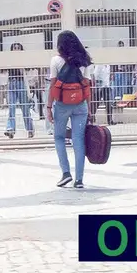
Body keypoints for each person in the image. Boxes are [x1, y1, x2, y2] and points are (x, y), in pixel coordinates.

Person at [46, 31, 91, 189]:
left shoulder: (56, 60)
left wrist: (48, 107)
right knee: (78, 140)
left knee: (59, 137)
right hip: (81, 104)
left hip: (63, 104)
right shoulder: (84, 59)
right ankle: (79, 179)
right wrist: (89, 109)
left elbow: (53, 86)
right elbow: (87, 86)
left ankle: (66, 173)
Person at [4, 43, 35, 139]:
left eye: (18, 48)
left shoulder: (23, 58)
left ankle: (30, 129)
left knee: (25, 108)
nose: (16, 49)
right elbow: (3, 69)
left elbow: (28, 69)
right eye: (14, 48)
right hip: (11, 82)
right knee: (11, 107)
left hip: (21, 82)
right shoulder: (9, 58)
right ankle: (10, 129)